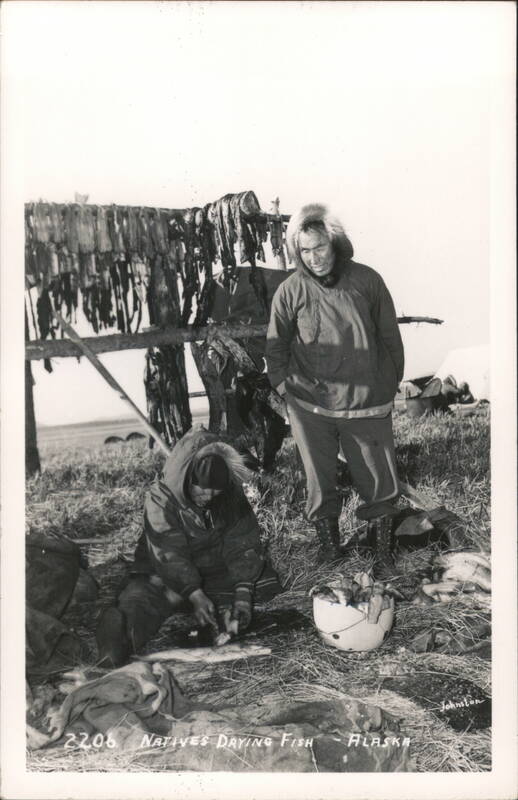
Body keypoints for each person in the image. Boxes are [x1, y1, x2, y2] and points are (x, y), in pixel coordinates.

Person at [265, 203, 404, 562]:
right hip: (311, 405)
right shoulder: (290, 291)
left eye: (320, 247)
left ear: (336, 243)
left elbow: (390, 338)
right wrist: (285, 389)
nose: (314, 258)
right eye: (305, 250)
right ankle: (330, 550)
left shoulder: (367, 280)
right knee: (319, 478)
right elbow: (275, 346)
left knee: (378, 477)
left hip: (366, 401)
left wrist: (386, 387)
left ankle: (383, 551)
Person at [96, 426, 282, 667]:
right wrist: (193, 592)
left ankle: (211, 605)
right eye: (202, 489)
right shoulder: (160, 498)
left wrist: (244, 595)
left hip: (211, 566)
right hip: (165, 571)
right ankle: (117, 642)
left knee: (264, 583)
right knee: (144, 599)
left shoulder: (229, 494)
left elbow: (243, 542)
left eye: (215, 492)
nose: (208, 496)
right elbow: (168, 552)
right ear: (188, 478)